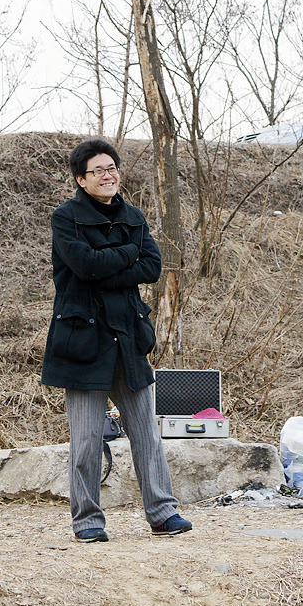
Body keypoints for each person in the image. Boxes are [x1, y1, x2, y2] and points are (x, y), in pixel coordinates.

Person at [40, 138, 192, 542]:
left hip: (127, 336)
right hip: (83, 340)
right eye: (98, 171)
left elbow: (153, 266)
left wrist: (108, 264)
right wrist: (127, 255)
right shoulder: (66, 218)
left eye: (112, 168)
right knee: (87, 440)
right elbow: (85, 266)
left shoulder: (133, 215)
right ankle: (87, 520)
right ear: (81, 179)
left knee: (147, 434)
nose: (108, 175)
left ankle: (163, 513)